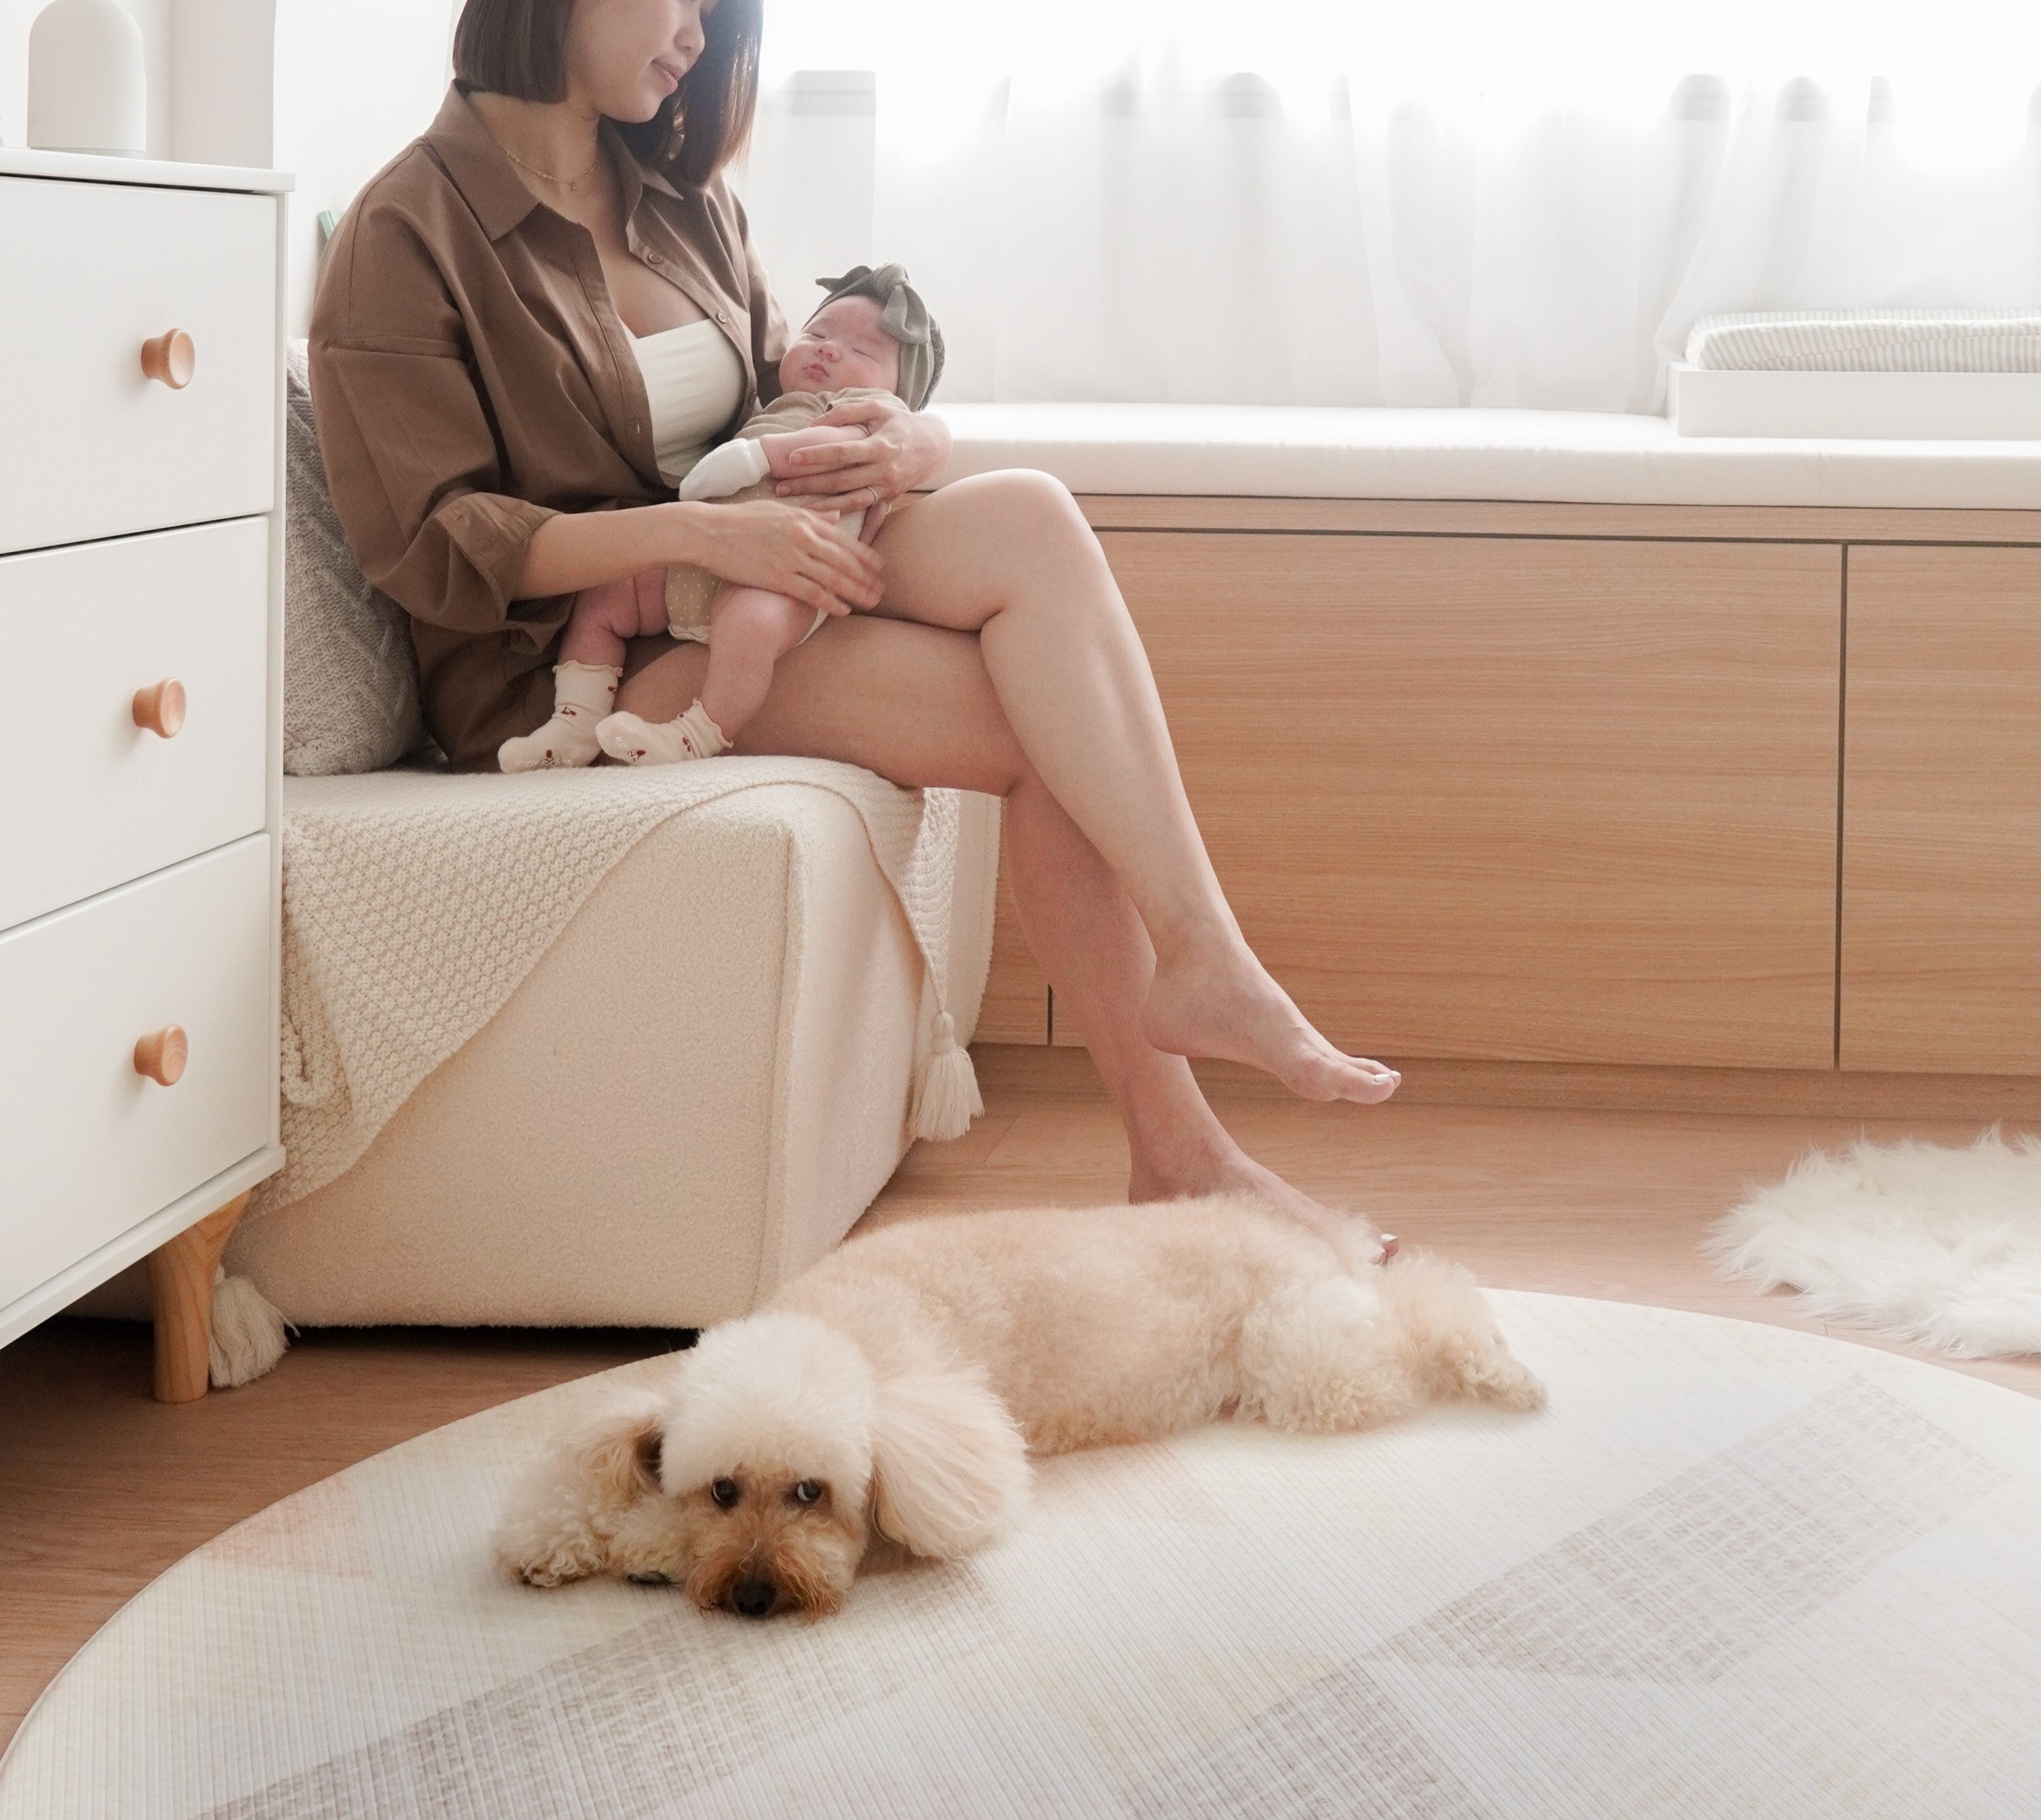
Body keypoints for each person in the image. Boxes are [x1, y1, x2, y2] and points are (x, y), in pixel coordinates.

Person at [308, 0, 1401, 1254]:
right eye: (684, 6)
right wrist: (697, 539)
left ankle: (1204, 967)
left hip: (744, 572)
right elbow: (433, 541)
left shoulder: (679, 203)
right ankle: (1181, 1153)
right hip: (575, 659)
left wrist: (914, 438)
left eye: (720, 20)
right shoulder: (409, 231)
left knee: (1030, 517)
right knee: (1038, 725)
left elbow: (787, 383)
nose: (699, 43)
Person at [498, 270, 937, 770]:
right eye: (817, 334)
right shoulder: (766, 405)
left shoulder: (868, 415)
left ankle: (697, 734)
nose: (829, 349)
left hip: (787, 575)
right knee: (608, 590)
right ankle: (574, 721)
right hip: (703, 556)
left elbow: (828, 453)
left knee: (749, 627)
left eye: (862, 351)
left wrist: (759, 457)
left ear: (901, 396)